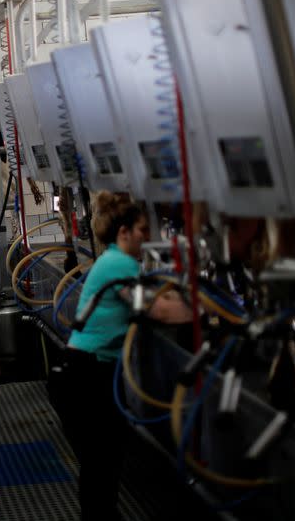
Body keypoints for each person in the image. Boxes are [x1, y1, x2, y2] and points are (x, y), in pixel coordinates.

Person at [56, 191, 191, 521]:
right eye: (143, 230)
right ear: (123, 231)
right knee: (102, 468)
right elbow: (158, 309)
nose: (147, 237)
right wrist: (203, 309)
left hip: (84, 373)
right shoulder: (119, 264)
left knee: (101, 470)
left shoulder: (118, 262)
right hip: (85, 378)